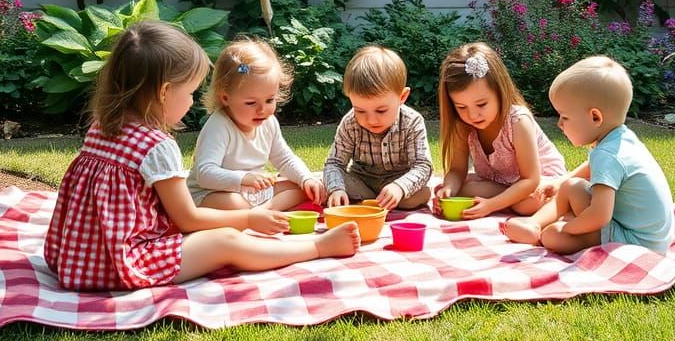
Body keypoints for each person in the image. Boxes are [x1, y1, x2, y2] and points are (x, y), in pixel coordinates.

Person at [43, 21, 359, 291]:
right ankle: (318, 247)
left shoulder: (102, 127)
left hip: (75, 260)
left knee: (250, 213)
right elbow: (188, 219)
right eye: (191, 92)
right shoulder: (157, 146)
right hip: (122, 264)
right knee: (224, 242)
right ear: (165, 92)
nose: (193, 100)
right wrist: (248, 218)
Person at [502, 56, 674, 254]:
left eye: (565, 117)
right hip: (648, 236)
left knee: (552, 235)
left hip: (636, 243)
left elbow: (600, 216)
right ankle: (533, 223)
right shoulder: (620, 138)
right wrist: (559, 182)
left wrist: (569, 228)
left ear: (595, 117)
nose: (559, 124)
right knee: (570, 185)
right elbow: (592, 167)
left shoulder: (608, 155)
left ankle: (540, 231)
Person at [188, 38, 327, 211]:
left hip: (254, 191)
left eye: (270, 100)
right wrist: (243, 178)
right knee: (234, 204)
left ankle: (262, 211)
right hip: (212, 193)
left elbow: (284, 159)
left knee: (312, 185)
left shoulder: (268, 123)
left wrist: (305, 178)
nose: (262, 110)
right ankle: (262, 212)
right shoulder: (219, 126)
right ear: (225, 98)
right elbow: (205, 174)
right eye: (251, 103)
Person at [433, 41, 567, 220]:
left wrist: (490, 205)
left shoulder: (518, 121)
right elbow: (457, 170)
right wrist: (448, 191)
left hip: (540, 182)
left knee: (524, 205)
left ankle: (511, 199)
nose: (473, 115)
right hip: (501, 182)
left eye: (481, 104)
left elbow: (530, 180)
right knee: (460, 188)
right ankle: (507, 197)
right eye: (461, 107)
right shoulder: (462, 126)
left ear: (500, 92)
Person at [323, 45, 433, 210]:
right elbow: (335, 162)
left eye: (381, 110)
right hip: (361, 181)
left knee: (420, 194)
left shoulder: (412, 122)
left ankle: (375, 201)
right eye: (360, 110)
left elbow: (423, 165)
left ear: (402, 97)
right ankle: (368, 200)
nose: (371, 120)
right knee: (330, 185)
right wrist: (336, 189)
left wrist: (399, 187)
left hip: (398, 181)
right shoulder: (350, 122)